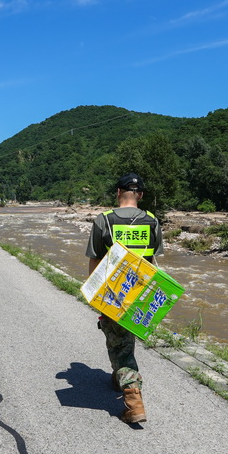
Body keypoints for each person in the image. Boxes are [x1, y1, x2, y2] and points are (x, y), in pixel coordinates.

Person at [85, 172, 164, 424]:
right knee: (123, 339)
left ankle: (133, 400)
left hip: (113, 292)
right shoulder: (152, 221)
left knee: (119, 342)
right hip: (141, 291)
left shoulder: (104, 220)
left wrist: (93, 294)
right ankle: (118, 376)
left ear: (118, 193)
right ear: (140, 195)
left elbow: (95, 259)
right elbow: (153, 261)